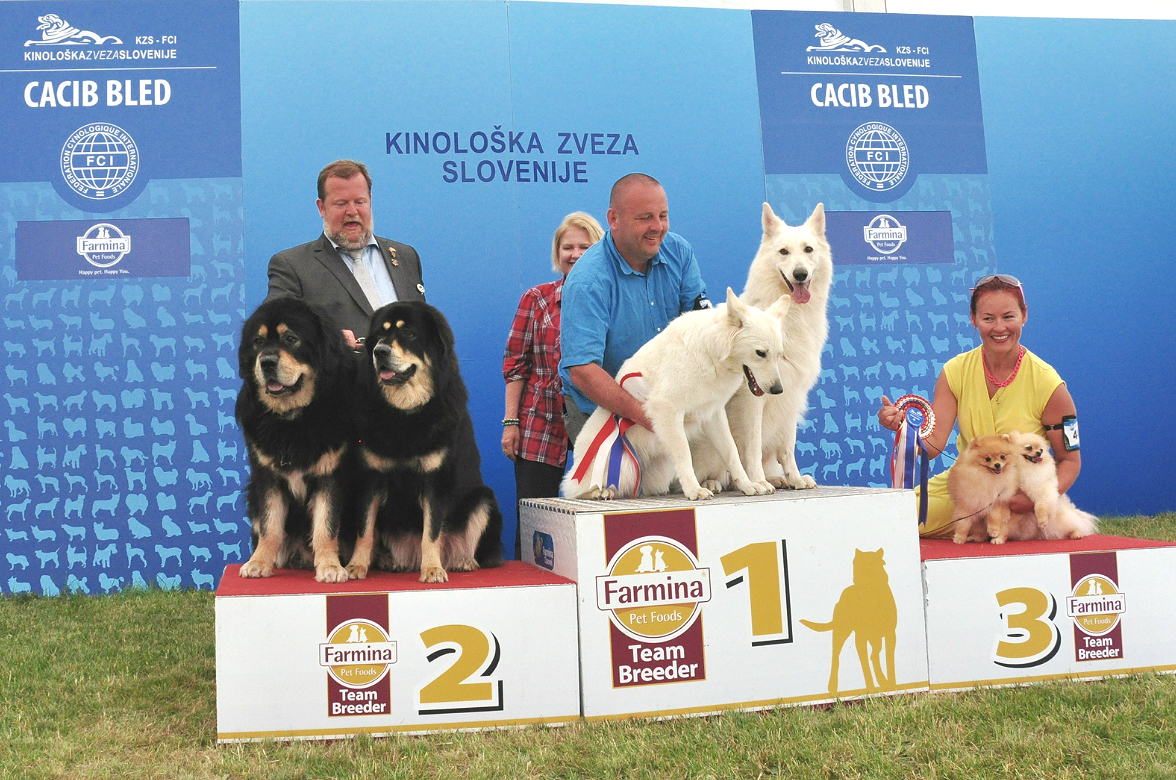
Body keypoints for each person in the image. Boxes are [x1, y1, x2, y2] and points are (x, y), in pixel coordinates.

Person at [877, 274, 1081, 538]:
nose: (999, 328)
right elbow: (934, 445)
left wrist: (1033, 501)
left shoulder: (1050, 384)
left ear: (1024, 315)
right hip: (967, 488)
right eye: (988, 318)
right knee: (891, 516)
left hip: (1016, 497)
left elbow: (1070, 461)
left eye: (1008, 316)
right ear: (973, 319)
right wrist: (905, 431)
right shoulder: (955, 371)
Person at [558, 173, 711, 442]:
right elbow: (583, 371)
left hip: (664, 404)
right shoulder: (587, 281)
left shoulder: (680, 252)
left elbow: (701, 327)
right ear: (613, 219)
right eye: (645, 218)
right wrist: (648, 416)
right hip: (599, 410)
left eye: (663, 216)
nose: (658, 227)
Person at [501, 212, 604, 556]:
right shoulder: (537, 298)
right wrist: (511, 422)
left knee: (599, 515)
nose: (575, 254)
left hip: (597, 421)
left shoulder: (610, 299)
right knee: (534, 524)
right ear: (557, 253)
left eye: (584, 247)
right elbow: (516, 366)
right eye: (567, 247)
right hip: (540, 425)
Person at [266, 159, 424, 348]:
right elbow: (273, 326)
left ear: (370, 201)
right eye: (341, 204)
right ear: (321, 208)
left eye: (360, 202)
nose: (352, 211)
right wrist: (329, 337)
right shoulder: (293, 265)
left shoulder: (405, 256)